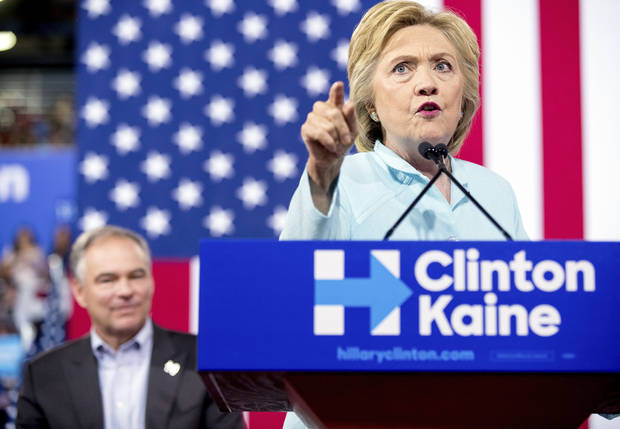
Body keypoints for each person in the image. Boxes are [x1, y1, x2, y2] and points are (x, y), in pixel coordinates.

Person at [280, 0, 528, 241]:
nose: (427, 84)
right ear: (370, 104)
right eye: (402, 68)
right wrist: (322, 171)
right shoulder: (341, 182)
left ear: (463, 100)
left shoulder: (496, 193)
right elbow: (296, 274)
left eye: (442, 66)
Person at [16, 225, 242, 429]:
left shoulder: (206, 361)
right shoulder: (43, 374)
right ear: (80, 292)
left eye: (136, 276)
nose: (125, 291)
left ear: (151, 282)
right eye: (108, 280)